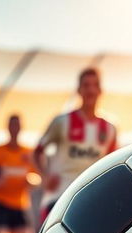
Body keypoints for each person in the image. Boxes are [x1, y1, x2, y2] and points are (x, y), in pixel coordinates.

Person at [34, 67, 117, 220]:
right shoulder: (62, 122)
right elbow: (38, 151)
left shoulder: (110, 128)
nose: (91, 90)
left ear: (100, 90)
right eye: (86, 85)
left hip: (92, 200)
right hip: (58, 197)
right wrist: (45, 176)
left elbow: (113, 164)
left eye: (95, 85)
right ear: (79, 90)